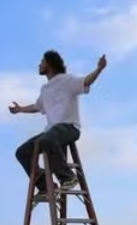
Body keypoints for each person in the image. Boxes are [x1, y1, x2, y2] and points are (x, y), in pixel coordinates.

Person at [9, 50, 107, 198]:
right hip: (52, 130)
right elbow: (37, 107)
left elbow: (85, 81)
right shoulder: (45, 89)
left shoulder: (66, 80)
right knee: (22, 152)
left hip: (69, 127)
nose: (39, 65)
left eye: (42, 62)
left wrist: (99, 69)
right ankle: (45, 187)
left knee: (46, 140)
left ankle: (68, 177)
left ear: (49, 63)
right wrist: (20, 109)